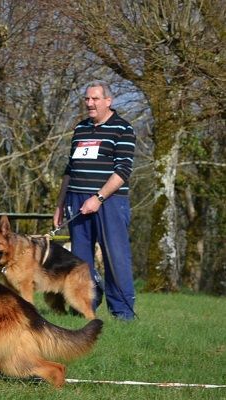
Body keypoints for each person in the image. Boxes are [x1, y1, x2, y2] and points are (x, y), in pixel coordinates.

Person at [53, 80, 136, 321]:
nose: (90, 103)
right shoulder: (80, 129)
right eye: (87, 99)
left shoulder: (123, 129)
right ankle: (84, 307)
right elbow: (70, 169)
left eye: (95, 99)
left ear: (108, 101)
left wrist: (98, 198)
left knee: (115, 258)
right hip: (76, 200)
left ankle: (123, 313)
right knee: (80, 261)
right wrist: (60, 205)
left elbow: (123, 172)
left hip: (109, 202)